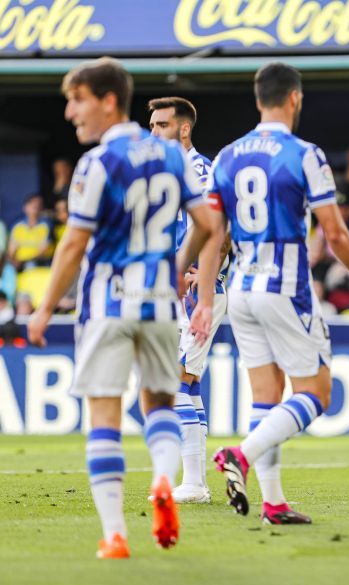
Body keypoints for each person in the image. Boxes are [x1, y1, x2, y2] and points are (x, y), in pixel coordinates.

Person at [26, 57, 223, 558]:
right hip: (160, 304)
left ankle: (115, 533)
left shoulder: (97, 163)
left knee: (104, 417)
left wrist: (45, 308)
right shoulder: (172, 157)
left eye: (78, 100)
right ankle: (163, 476)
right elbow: (207, 223)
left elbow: (73, 245)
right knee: (159, 402)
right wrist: (175, 267)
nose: (71, 112)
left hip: (107, 303)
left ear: (109, 100)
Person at [209, 63, 349, 525]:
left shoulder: (226, 156)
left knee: (266, 398)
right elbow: (335, 231)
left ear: (257, 99)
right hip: (285, 287)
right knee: (317, 392)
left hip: (242, 291)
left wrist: (201, 289)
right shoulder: (303, 153)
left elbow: (213, 233)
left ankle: (272, 504)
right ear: (294, 99)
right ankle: (241, 456)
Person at [148, 96, 228, 504]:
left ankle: (194, 483)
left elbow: (220, 227)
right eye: (152, 125)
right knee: (188, 383)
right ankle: (193, 482)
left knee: (175, 380)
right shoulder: (175, 171)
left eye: (162, 125)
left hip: (202, 292)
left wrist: (204, 274)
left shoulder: (198, 169)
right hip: (187, 290)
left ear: (184, 129)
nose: (154, 132)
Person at [7, 194, 53, 272]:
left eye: (39, 204)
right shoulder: (17, 226)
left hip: (39, 264)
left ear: (41, 208)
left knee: (30, 265)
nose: (35, 205)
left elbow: (43, 252)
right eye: (32, 203)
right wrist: (13, 262)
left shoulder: (47, 226)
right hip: (18, 264)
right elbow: (11, 251)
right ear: (25, 207)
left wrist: (23, 262)